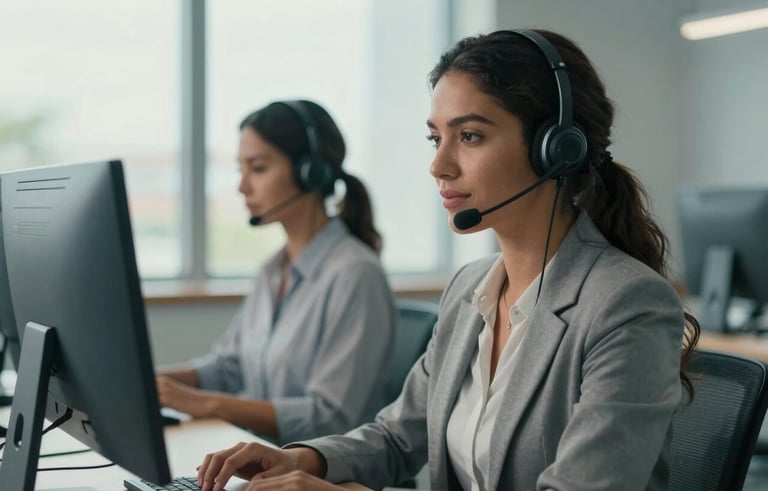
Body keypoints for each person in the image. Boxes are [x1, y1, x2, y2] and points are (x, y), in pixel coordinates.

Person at [193, 30, 700, 491]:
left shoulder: (628, 304)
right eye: (436, 138)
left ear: (556, 149)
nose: (438, 165)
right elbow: (396, 436)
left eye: (470, 136)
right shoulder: (469, 290)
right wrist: (306, 459)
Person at [156, 99, 396, 446]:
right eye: (240, 169)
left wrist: (204, 404)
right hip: (266, 462)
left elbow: (330, 416)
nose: (242, 187)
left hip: (327, 477)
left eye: (258, 168)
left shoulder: (355, 275)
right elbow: (230, 366)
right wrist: (149, 381)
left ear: (310, 172)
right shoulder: (273, 270)